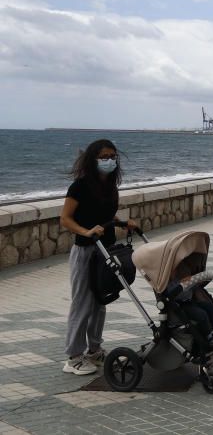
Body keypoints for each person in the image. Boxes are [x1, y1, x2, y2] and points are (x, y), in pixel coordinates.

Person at [59, 139, 139, 375]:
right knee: (82, 303)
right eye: (104, 157)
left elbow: (106, 216)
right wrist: (86, 231)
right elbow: (65, 218)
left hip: (106, 250)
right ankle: (73, 357)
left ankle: (94, 350)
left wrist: (123, 223)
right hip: (86, 250)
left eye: (113, 156)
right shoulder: (80, 187)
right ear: (93, 159)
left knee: (101, 302)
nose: (110, 161)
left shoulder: (110, 186)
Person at [167, 260, 213, 347]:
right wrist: (181, 282)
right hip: (179, 305)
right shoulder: (170, 284)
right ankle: (210, 335)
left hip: (191, 301)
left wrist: (197, 282)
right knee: (201, 314)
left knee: (211, 307)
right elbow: (171, 293)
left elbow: (195, 288)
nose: (182, 272)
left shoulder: (187, 278)